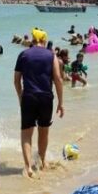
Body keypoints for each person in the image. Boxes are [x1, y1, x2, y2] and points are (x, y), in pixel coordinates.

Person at [15, 27, 64, 178]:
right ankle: (42, 162)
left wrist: (20, 97)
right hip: (46, 98)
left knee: (26, 134)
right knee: (44, 131)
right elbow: (57, 78)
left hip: (29, 96)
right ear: (43, 40)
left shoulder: (23, 54)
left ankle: (28, 167)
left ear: (33, 39)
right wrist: (61, 102)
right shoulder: (51, 55)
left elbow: (16, 80)